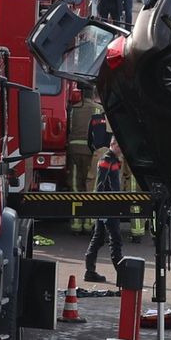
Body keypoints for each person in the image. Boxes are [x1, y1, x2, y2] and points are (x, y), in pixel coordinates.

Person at [82, 137, 125, 283]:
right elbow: (100, 185)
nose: (121, 150)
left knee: (99, 238)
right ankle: (122, 274)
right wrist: (102, 206)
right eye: (120, 146)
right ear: (113, 145)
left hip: (107, 206)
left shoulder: (111, 160)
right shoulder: (107, 160)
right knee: (115, 239)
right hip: (108, 206)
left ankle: (90, 272)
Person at [67, 87, 102, 233]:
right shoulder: (98, 109)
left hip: (74, 150)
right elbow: (100, 132)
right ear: (93, 94)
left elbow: (69, 128)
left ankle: (76, 223)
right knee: (90, 186)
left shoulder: (73, 109)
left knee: (75, 185)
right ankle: (89, 223)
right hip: (91, 152)